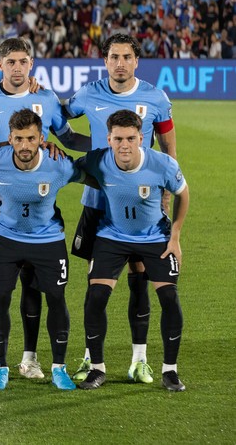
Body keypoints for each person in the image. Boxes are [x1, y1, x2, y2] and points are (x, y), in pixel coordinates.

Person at [0, 37, 89, 378]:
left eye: (23, 61)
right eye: (11, 62)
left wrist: (115, 143)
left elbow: (70, 139)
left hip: (40, 211)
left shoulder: (45, 98)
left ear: (31, 64)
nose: (17, 67)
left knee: (34, 286)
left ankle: (29, 358)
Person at [64, 33, 177, 383]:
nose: (120, 63)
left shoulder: (155, 97)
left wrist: (168, 191)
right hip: (98, 204)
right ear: (105, 60)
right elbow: (62, 128)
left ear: (136, 61)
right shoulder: (87, 93)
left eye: (127, 57)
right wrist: (96, 149)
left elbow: (168, 147)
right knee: (94, 283)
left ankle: (139, 360)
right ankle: (89, 358)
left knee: (140, 280)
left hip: (142, 204)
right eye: (114, 56)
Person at [76, 109, 189, 392]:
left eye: (130, 138)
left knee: (169, 298)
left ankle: (170, 371)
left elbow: (183, 194)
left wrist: (175, 236)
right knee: (96, 297)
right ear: (109, 139)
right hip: (112, 236)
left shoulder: (161, 164)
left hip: (154, 237)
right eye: (118, 139)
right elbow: (66, 168)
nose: (124, 145)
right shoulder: (98, 160)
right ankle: (97, 368)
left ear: (141, 138)